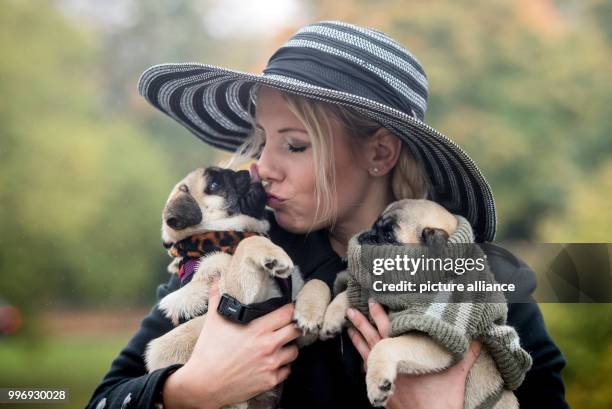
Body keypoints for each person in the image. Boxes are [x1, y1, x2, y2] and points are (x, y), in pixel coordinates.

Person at [86, 21, 568, 409]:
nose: (262, 168)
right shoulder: (239, 259)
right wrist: (190, 391)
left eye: (294, 145)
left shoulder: (482, 281)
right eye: (261, 140)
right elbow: (106, 400)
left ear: (380, 152)